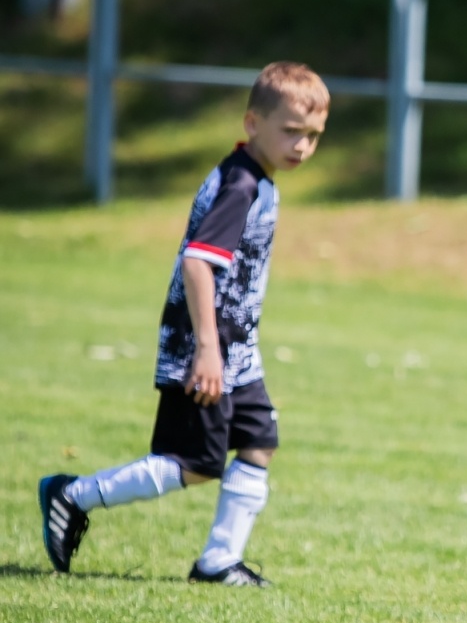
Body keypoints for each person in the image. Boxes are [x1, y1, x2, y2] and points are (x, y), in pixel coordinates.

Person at [38, 62, 329, 586]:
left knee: (259, 441)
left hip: (238, 353)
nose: (302, 146)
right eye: (291, 131)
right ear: (252, 123)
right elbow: (198, 263)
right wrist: (207, 350)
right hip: (205, 349)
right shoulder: (239, 187)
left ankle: (219, 561)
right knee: (194, 463)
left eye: (312, 136)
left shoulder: (260, 179)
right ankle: (72, 494)